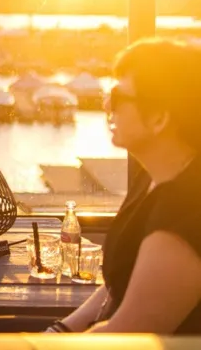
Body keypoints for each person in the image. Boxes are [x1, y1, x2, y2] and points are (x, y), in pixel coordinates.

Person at [45, 39, 201, 335]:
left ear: (159, 118)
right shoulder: (152, 179)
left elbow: (128, 333)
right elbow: (121, 284)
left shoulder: (186, 216)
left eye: (117, 97)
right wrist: (59, 331)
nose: (106, 105)